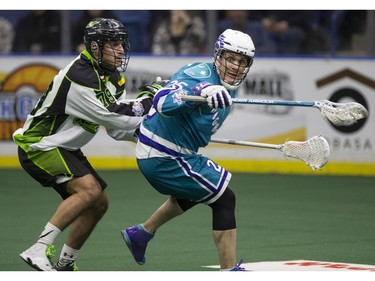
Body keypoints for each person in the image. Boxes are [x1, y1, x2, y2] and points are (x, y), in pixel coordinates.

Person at [13, 17, 158, 271]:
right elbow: (113, 115)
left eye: (121, 42)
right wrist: (150, 100)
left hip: (63, 147)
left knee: (99, 202)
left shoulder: (113, 78)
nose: (121, 49)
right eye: (112, 43)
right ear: (94, 47)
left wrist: (148, 132)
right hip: (39, 146)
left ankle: (66, 264)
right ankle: (38, 249)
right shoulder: (80, 75)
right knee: (89, 190)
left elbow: (115, 129)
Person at [120, 29, 255, 271]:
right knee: (224, 198)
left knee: (199, 191)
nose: (235, 66)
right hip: (162, 156)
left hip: (174, 153)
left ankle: (141, 233)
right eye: (230, 58)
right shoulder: (199, 74)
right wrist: (198, 92)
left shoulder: (229, 87)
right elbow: (162, 101)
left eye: (242, 61)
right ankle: (229, 270)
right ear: (217, 55)